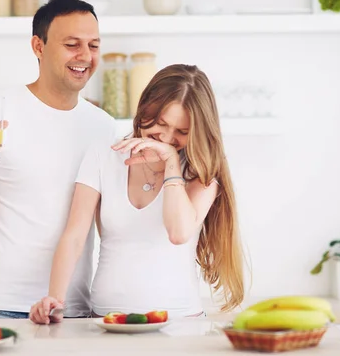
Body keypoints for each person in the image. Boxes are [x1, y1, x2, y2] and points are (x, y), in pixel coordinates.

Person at [0, 0, 115, 319]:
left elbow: (112, 228)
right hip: (5, 309)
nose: (85, 56)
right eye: (72, 44)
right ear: (38, 46)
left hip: (75, 310)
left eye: (93, 45)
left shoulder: (103, 126)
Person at [29, 64, 245, 324]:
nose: (166, 137)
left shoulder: (203, 171)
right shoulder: (103, 155)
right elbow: (74, 235)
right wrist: (55, 299)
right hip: (105, 320)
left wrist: (171, 164)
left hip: (180, 321)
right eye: (161, 123)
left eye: (181, 132)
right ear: (145, 109)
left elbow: (178, 233)